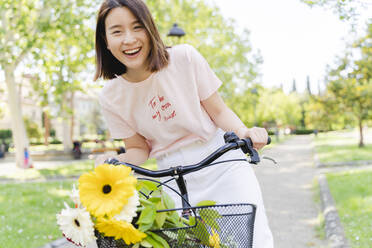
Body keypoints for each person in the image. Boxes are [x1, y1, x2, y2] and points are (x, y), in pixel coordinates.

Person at [94, 0, 273, 247]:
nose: (129, 39)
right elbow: (139, 149)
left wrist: (245, 132)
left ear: (150, 28)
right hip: (171, 179)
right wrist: (111, 163)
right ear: (105, 39)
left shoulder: (184, 58)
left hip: (221, 163)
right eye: (117, 31)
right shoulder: (111, 96)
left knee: (251, 239)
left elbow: (219, 112)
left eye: (137, 27)